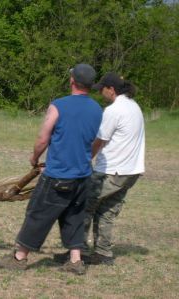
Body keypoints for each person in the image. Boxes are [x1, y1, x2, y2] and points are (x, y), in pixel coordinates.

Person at [0, 64, 102, 275]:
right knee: (75, 217)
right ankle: (75, 261)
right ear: (91, 85)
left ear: (72, 81)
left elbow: (43, 138)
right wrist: (87, 157)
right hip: (83, 176)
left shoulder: (58, 105)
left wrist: (34, 158)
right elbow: (99, 141)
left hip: (58, 175)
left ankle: (19, 257)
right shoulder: (98, 109)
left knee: (38, 214)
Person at [82, 72, 145, 265]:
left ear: (111, 89)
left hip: (112, 171)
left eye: (102, 89)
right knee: (107, 210)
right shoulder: (134, 106)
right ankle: (103, 252)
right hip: (131, 171)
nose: (100, 92)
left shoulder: (113, 110)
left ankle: (79, 253)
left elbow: (99, 141)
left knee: (84, 205)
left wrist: (85, 160)